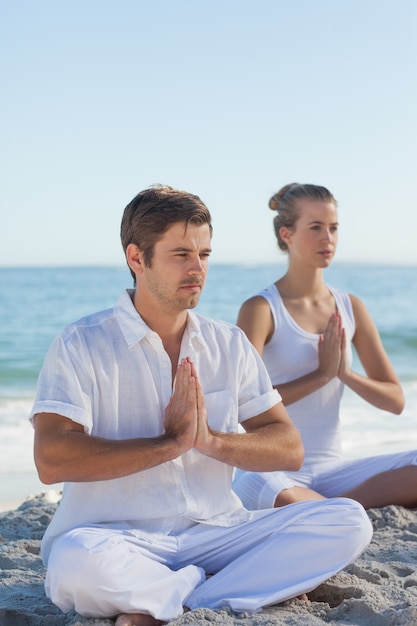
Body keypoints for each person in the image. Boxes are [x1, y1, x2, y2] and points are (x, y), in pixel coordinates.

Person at [30, 184, 372, 626]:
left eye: (204, 255)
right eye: (181, 255)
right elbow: (51, 458)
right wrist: (169, 444)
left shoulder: (227, 343)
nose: (198, 269)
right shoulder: (81, 344)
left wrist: (209, 440)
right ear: (137, 258)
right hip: (116, 539)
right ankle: (222, 591)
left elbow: (288, 446)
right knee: (74, 561)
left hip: (217, 534)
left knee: (347, 521)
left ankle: (175, 601)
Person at [233, 182, 417, 513]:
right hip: (276, 472)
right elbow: (242, 404)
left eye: (333, 228)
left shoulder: (350, 306)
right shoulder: (261, 309)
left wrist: (344, 373)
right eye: (315, 227)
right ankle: (338, 509)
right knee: (257, 485)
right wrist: (321, 375)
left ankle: (326, 508)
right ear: (286, 234)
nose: (327, 238)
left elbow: (395, 401)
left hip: (335, 471)